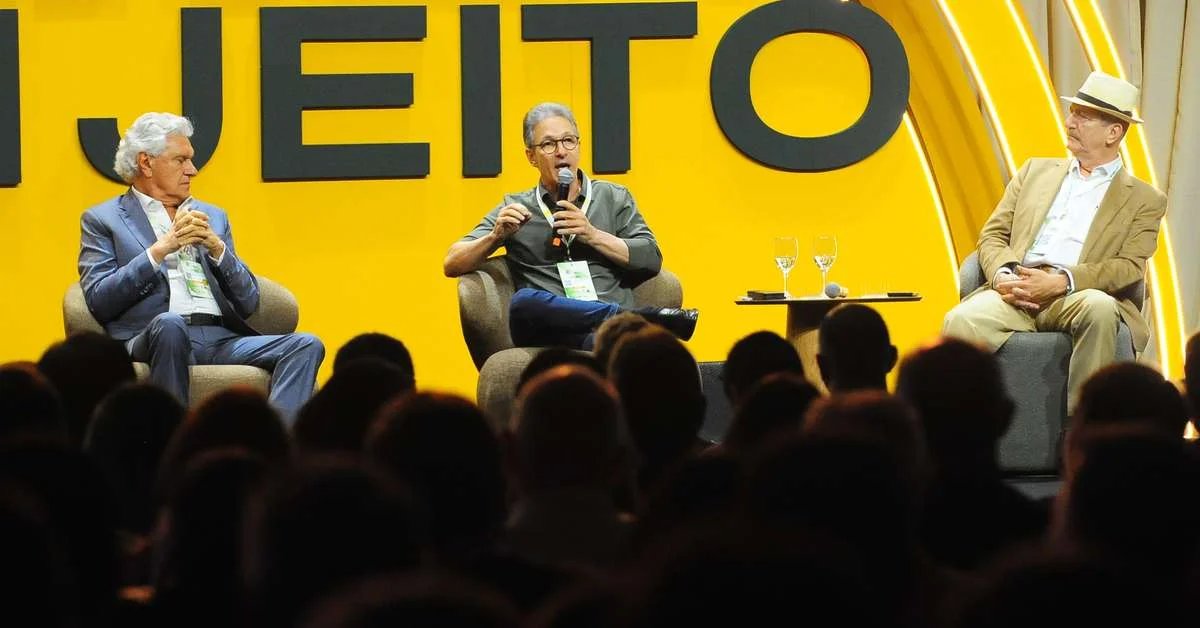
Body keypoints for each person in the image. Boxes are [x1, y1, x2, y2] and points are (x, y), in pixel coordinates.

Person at [77, 112, 324, 421]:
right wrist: (161, 249)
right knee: (170, 325)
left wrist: (217, 249)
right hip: (155, 333)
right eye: (180, 160)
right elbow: (100, 300)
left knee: (306, 345)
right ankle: (171, 448)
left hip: (219, 337)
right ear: (146, 163)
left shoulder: (213, 216)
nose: (192, 170)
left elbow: (248, 300)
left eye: (191, 160)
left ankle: (276, 446)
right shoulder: (103, 219)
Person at [943, 71, 1167, 411]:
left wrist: (1062, 282)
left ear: (1114, 132)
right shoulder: (1034, 171)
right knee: (959, 320)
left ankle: (1083, 433)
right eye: (1072, 112)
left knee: (1101, 309)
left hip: (1077, 294)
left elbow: (1129, 267)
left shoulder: (1144, 199)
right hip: (1016, 287)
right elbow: (992, 235)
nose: (1070, 122)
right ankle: (958, 437)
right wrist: (1004, 276)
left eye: (1083, 116)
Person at [443, 102, 697, 349]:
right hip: (550, 324)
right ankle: (634, 318)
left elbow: (651, 257)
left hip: (593, 327)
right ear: (531, 156)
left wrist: (592, 234)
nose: (561, 151)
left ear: (578, 146)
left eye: (568, 141)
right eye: (549, 144)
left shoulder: (613, 197)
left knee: (595, 342)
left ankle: (608, 335)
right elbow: (452, 263)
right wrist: (495, 237)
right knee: (523, 303)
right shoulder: (516, 206)